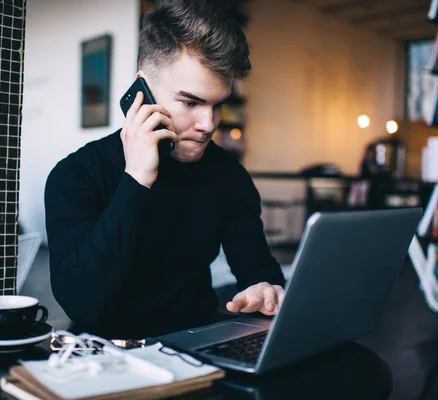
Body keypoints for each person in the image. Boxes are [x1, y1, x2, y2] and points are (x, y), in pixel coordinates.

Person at [44, 0, 285, 339]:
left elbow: (258, 271)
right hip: (106, 355)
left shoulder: (229, 176)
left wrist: (265, 290)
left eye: (218, 105)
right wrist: (137, 180)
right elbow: (82, 303)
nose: (208, 124)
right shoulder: (76, 175)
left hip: (199, 345)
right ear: (142, 92)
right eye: (190, 102)